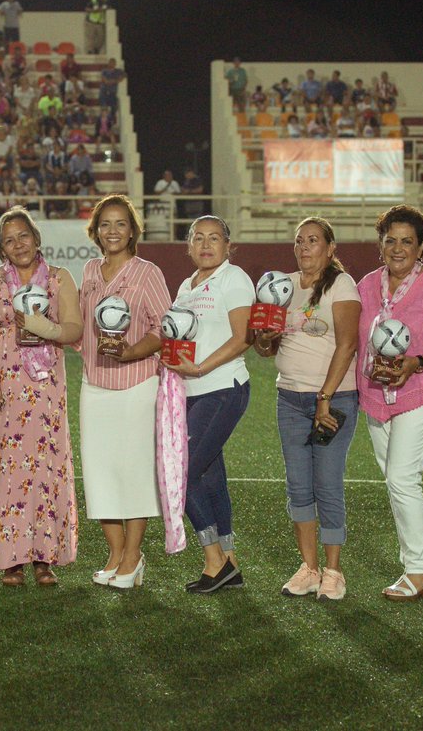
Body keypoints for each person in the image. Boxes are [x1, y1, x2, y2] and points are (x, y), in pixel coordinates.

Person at [357, 205, 423, 602]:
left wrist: (416, 363)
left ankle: (419, 571)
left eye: (407, 241)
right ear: (380, 244)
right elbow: (351, 342)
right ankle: (417, 568)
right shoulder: (366, 285)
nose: (398, 248)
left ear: (421, 247)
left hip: (422, 390)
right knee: (397, 481)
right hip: (375, 395)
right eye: (391, 240)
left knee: (402, 479)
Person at [253, 218, 360, 601]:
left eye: (313, 240)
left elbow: (348, 345)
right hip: (290, 399)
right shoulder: (281, 286)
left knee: (327, 485)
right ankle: (309, 568)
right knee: (298, 487)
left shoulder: (342, 285)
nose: (304, 247)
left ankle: (334, 570)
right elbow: (265, 350)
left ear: (330, 248)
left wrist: (325, 399)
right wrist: (264, 339)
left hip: (332, 400)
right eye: (299, 241)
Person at [0, 208, 82, 586]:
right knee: (6, 469)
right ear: (0, 247)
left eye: (23, 236)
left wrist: (43, 326)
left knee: (46, 467)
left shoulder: (59, 278)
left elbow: (72, 330)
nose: (17, 244)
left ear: (36, 239)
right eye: (9, 239)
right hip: (4, 386)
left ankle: (44, 557)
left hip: (46, 388)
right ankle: (10, 559)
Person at [77, 194, 170, 589]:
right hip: (94, 384)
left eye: (120, 224)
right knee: (99, 474)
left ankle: (133, 557)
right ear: (95, 231)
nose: (112, 231)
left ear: (133, 230)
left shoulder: (147, 272)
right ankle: (115, 554)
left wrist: (131, 350)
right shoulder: (89, 271)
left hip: (136, 384)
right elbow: (78, 326)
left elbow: (166, 326)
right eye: (105, 224)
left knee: (133, 473)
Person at [162, 215, 253, 594]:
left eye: (214, 238)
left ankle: (213, 560)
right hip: (191, 391)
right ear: (188, 245)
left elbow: (243, 336)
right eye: (198, 237)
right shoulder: (186, 285)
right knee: (209, 476)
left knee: (179, 472)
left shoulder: (234, 279)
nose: (205, 244)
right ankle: (229, 560)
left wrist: (199, 367)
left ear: (228, 246)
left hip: (222, 386)